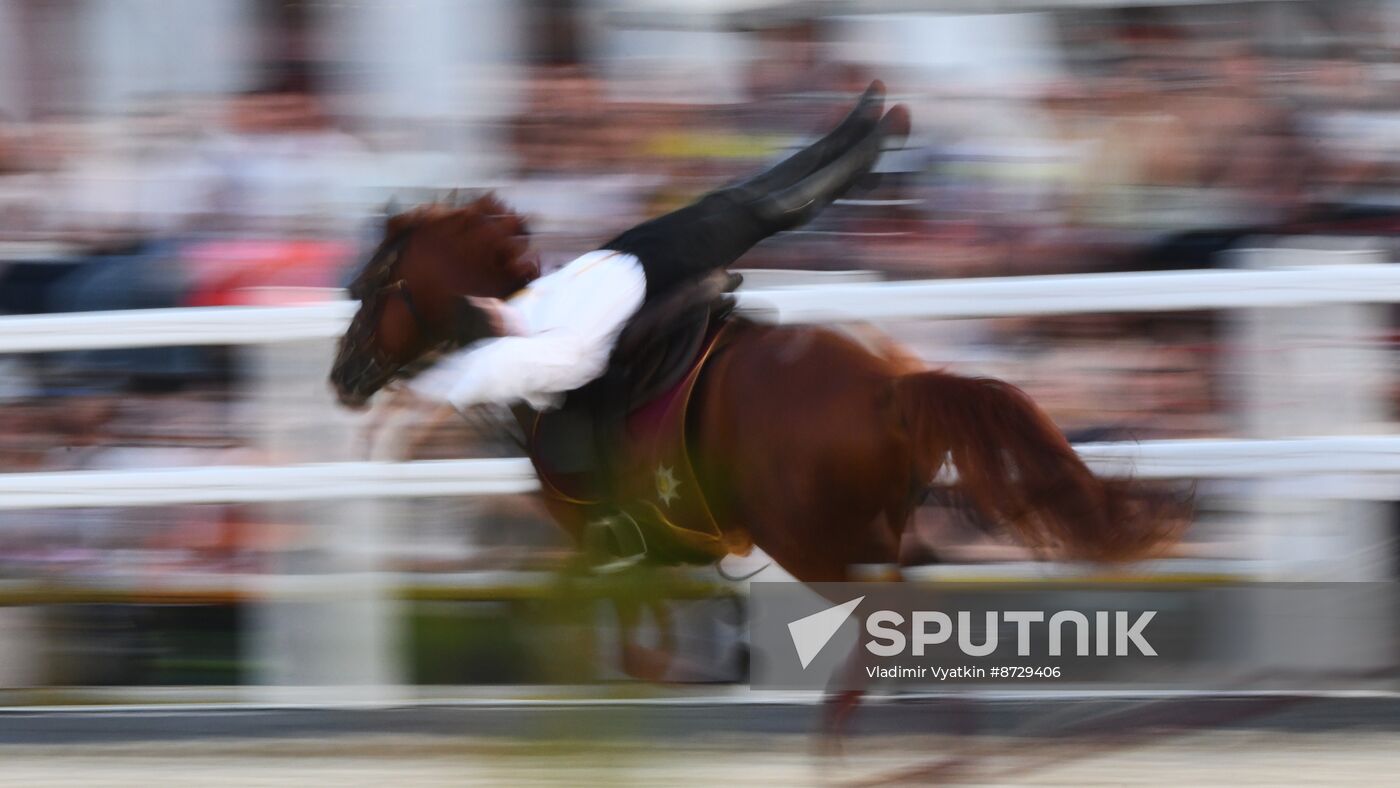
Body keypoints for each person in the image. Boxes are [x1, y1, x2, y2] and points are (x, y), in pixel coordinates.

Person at [406, 81, 910, 414]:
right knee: (764, 210)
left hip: (632, 252)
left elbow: (485, 328)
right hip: (652, 268)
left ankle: (853, 135)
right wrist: (425, 393)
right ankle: (868, 151)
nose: (486, 303)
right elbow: (489, 371)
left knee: (742, 197)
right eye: (484, 312)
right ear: (493, 333)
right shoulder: (540, 350)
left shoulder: (522, 311)